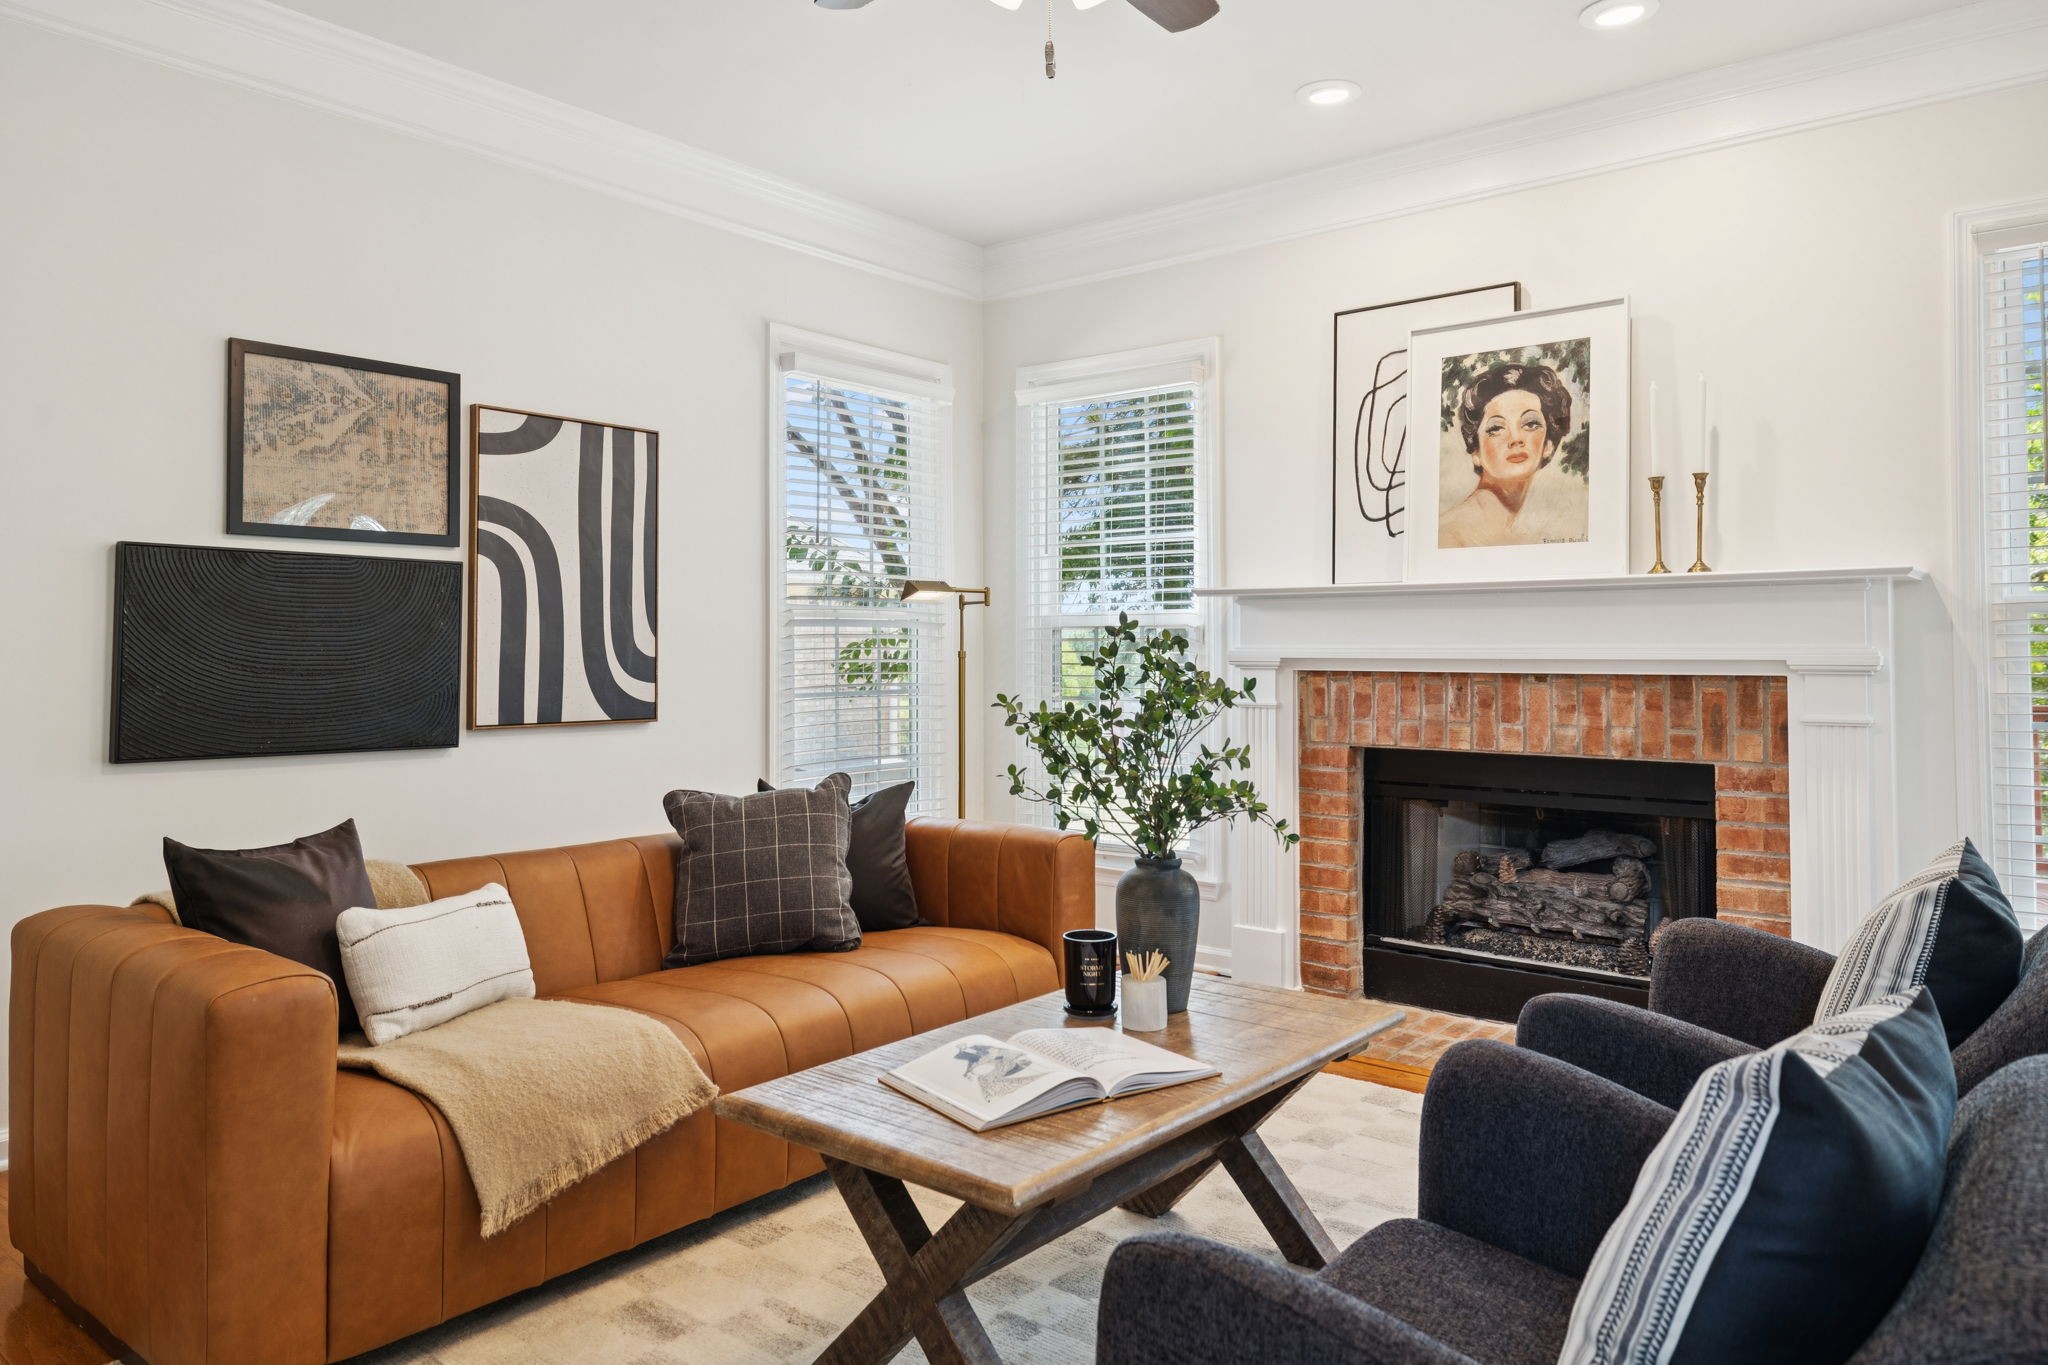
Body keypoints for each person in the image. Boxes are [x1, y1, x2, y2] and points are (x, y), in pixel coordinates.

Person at [1438, 361, 1581, 548]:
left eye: (1530, 424)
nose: (1515, 438)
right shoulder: (1451, 536)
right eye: (1496, 428)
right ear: (1476, 451)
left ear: (1548, 445)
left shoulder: (1520, 535)